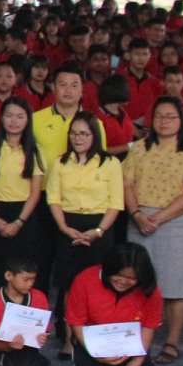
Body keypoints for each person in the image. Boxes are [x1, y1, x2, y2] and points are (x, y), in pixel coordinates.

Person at [123, 96, 183, 365]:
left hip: (175, 221)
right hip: (139, 218)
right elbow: (127, 184)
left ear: (182, 121)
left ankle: (171, 341)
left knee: (175, 286)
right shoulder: (138, 149)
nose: (164, 121)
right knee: (135, 281)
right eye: (159, 116)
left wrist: (158, 218)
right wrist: (137, 214)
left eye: (171, 116)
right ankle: (133, 337)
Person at [48, 111, 124, 312]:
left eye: (83, 134)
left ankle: (94, 326)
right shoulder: (60, 162)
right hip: (67, 226)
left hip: (100, 227)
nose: (78, 138)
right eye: (74, 133)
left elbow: (116, 203)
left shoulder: (110, 163)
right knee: (68, 284)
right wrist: (64, 227)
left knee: (97, 282)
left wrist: (98, 231)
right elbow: (53, 199)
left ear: (94, 135)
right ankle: (67, 329)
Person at [0, 96, 48, 287]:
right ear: (1, 118)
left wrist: (19, 222)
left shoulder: (36, 150)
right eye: (9, 115)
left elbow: (35, 191)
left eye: (20, 116)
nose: (14, 121)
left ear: (27, 120)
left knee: (21, 271)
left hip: (24, 214)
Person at [65, 243, 161, 366]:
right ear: (109, 269)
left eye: (131, 278)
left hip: (132, 345)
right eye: (118, 275)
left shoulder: (149, 289)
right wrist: (95, 354)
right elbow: (77, 322)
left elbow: (148, 326)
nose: (123, 281)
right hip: (91, 343)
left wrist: (137, 361)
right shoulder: (84, 280)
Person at [0, 258, 52, 366]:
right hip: (3, 356)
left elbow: (45, 331)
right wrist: (8, 345)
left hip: (30, 354)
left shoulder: (39, 297)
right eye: (26, 279)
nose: (30, 284)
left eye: (33, 279)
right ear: (9, 276)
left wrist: (42, 338)